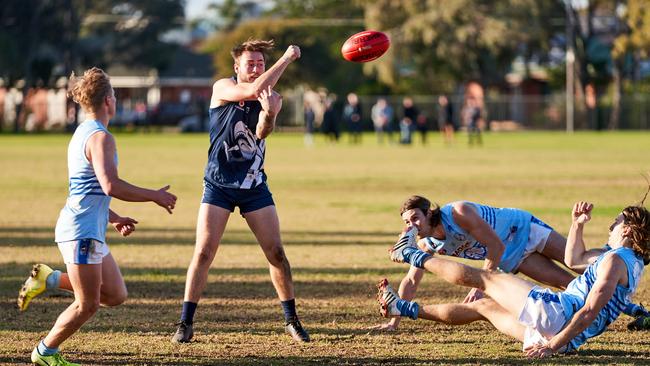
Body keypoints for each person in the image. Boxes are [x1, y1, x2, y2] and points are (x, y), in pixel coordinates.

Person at [17, 67, 177, 366]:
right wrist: (154, 195)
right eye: (114, 95)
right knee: (87, 304)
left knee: (114, 294)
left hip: (88, 226)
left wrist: (112, 217)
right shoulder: (101, 138)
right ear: (108, 101)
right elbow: (110, 184)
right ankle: (45, 352)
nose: (115, 100)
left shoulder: (83, 131)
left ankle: (49, 279)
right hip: (81, 232)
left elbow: (88, 190)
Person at [378, 201, 650, 357]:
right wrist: (577, 225)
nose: (610, 226)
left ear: (626, 230)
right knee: (481, 308)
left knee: (484, 279)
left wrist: (552, 347)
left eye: (615, 222)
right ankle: (401, 307)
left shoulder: (614, 260)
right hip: (564, 337)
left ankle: (410, 254)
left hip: (554, 314)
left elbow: (590, 309)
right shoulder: (631, 262)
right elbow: (574, 260)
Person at [171, 39, 310, 344]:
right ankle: (185, 322)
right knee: (204, 252)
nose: (256, 68)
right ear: (237, 68)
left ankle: (291, 320)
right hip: (218, 184)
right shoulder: (223, 87)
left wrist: (269, 114)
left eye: (260, 63)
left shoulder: (274, 97)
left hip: (253, 185)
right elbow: (249, 91)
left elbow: (262, 133)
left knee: (276, 253)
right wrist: (286, 59)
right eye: (251, 64)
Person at [372, 195, 575, 332]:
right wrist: (394, 321)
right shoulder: (427, 244)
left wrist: (481, 286)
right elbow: (411, 280)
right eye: (407, 223)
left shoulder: (457, 213)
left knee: (575, 261)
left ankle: (607, 256)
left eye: (415, 218)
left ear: (429, 213)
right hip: (515, 258)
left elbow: (495, 245)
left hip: (525, 229)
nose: (412, 226)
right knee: (568, 284)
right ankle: (598, 311)